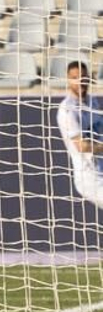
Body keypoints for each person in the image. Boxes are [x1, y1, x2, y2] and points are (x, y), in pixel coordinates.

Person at [57, 61, 103, 207]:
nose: (80, 81)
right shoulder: (67, 110)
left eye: (83, 77)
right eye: (75, 77)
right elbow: (82, 146)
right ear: (68, 80)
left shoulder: (93, 102)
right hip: (89, 177)